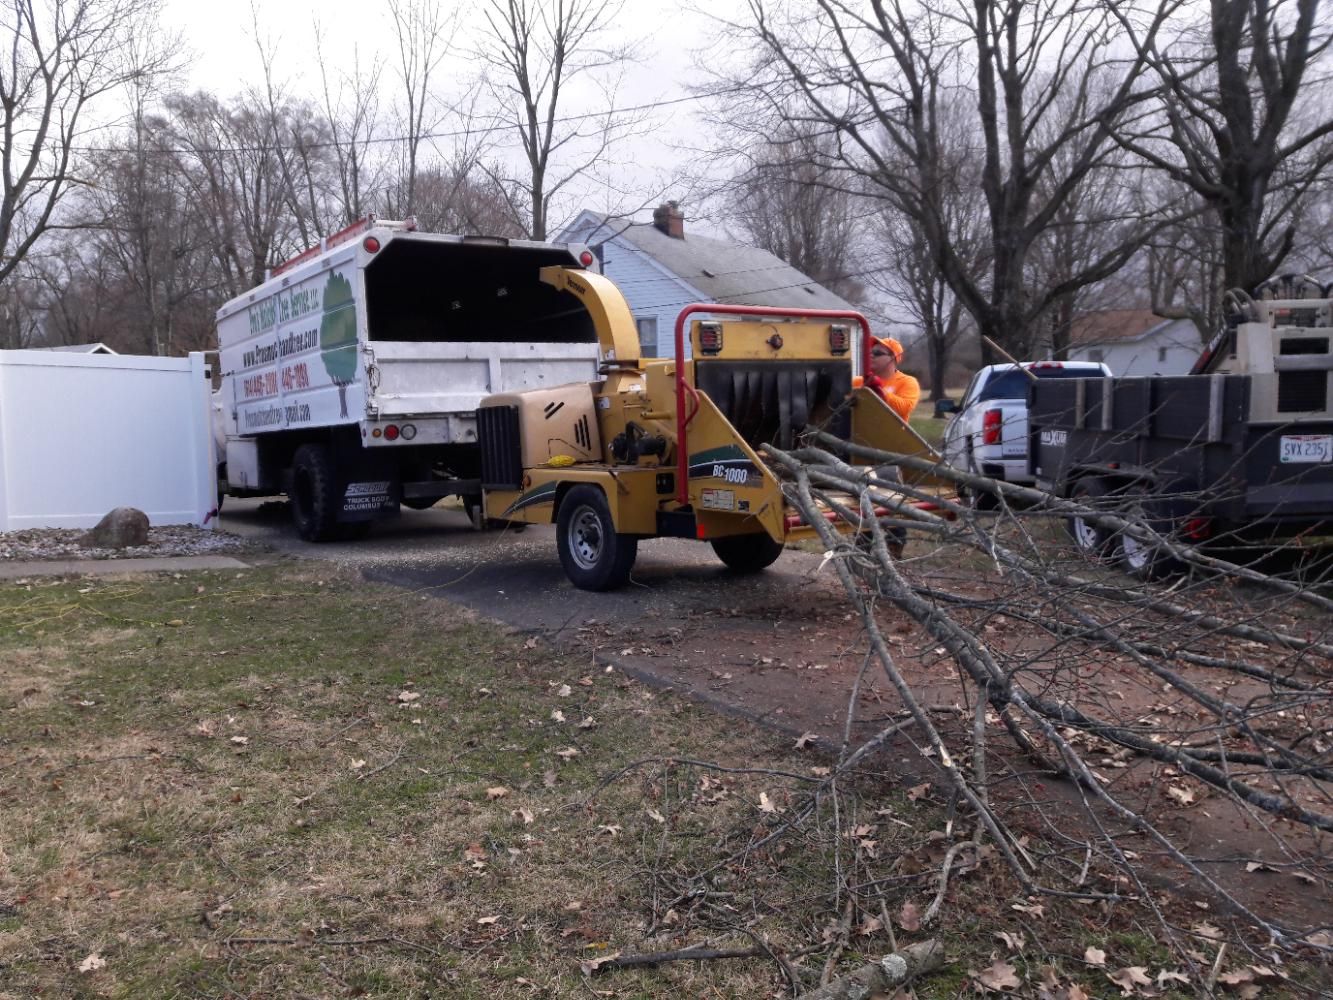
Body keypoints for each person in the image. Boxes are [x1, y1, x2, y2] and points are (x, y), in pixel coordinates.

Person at [863, 336, 921, 421]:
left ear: (894, 358)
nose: (871, 355)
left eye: (877, 353)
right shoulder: (859, 381)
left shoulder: (908, 382)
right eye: (870, 352)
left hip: (893, 433)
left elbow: (904, 409)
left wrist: (879, 391)